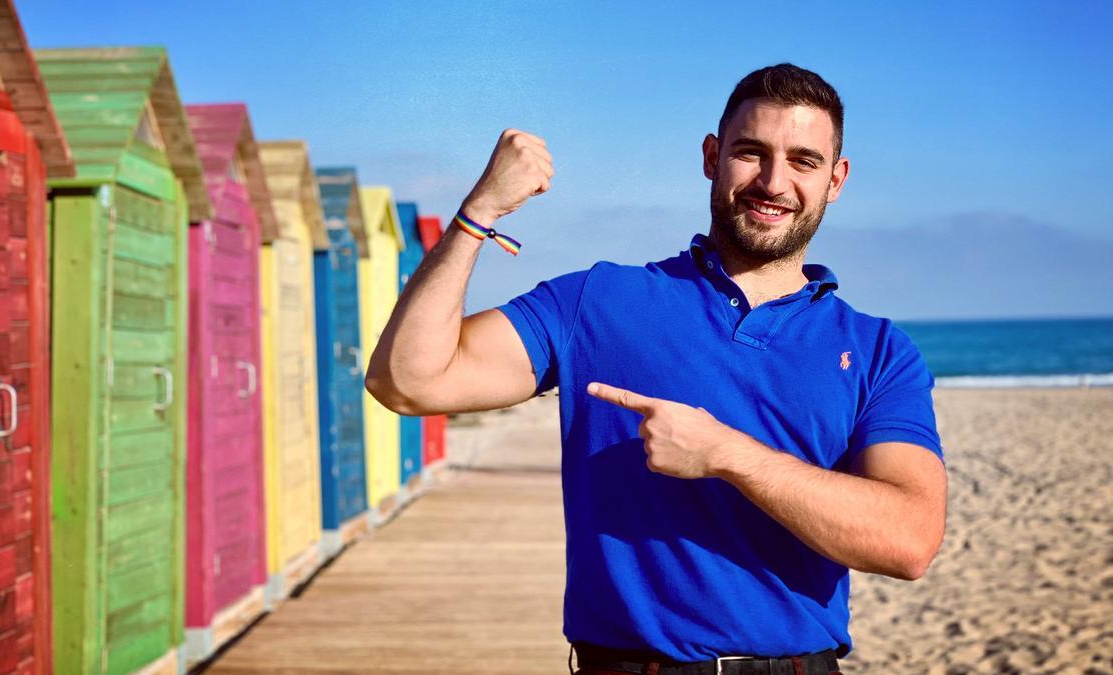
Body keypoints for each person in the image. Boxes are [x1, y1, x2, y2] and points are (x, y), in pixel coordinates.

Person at [366, 63, 948, 675]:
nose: (774, 181)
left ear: (836, 179)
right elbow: (407, 380)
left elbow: (908, 542)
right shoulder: (598, 301)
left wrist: (727, 454)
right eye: (751, 153)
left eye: (803, 161)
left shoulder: (879, 349)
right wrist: (479, 211)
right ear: (712, 157)